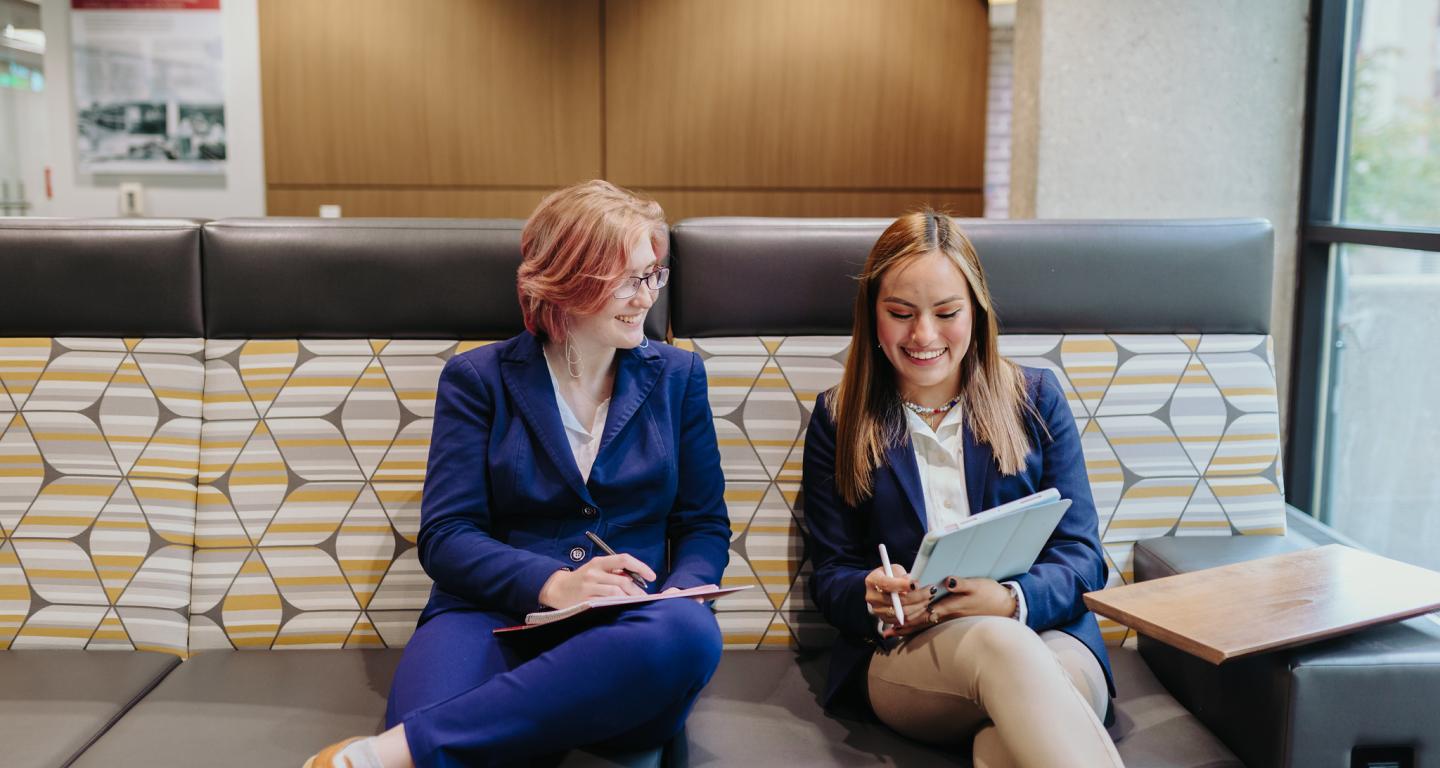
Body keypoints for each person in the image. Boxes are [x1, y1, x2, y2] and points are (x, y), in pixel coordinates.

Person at [305, 180, 730, 768]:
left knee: (689, 634)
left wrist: (686, 589)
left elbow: (703, 524)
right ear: (570, 279)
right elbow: (447, 536)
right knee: (432, 711)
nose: (646, 298)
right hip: (491, 614)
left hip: (628, 627)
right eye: (630, 279)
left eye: (653, 275)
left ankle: (383, 757)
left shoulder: (680, 378)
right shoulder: (478, 378)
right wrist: (555, 584)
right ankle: (492, 729)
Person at [802, 211, 1124, 767]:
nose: (923, 335)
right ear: (872, 316)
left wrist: (1010, 600)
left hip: (1048, 634)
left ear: (975, 311)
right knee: (1003, 648)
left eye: (947, 312)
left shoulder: (1035, 398)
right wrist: (873, 595)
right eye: (900, 313)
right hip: (909, 652)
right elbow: (831, 574)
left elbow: (1083, 556)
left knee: (1002, 747)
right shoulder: (840, 417)